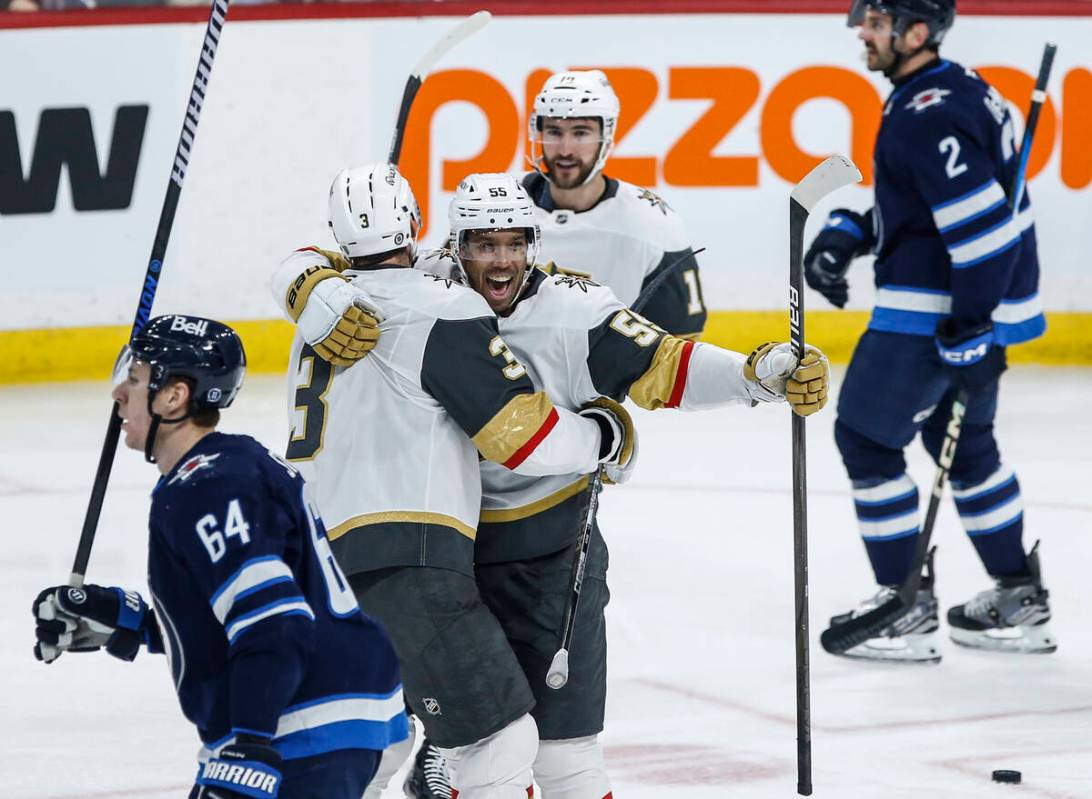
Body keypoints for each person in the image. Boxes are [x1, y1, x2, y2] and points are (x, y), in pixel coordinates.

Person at [280, 170, 831, 798]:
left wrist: (756, 374)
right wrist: (308, 285)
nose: (501, 259)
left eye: (514, 243)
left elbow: (665, 364)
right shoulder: (431, 287)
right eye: (483, 244)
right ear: (452, 246)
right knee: (420, 738)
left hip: (548, 562)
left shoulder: (575, 309)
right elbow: (339, 256)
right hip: (446, 559)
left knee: (562, 760)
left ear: (534, 243)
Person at [271, 163, 634, 799]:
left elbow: (299, 263)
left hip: (315, 560)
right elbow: (523, 436)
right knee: (500, 741)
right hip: (407, 559)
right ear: (417, 225)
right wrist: (604, 438)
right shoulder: (442, 307)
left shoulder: (322, 310)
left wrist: (299, 277)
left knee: (376, 745)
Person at [32, 315, 409, 799]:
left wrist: (250, 748)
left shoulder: (207, 486)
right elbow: (242, 619)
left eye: (135, 378)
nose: (119, 394)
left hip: (302, 721)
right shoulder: (232, 462)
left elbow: (274, 623)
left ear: (174, 396)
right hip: (323, 706)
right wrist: (128, 623)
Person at [807, 0, 1055, 663]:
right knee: (968, 447)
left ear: (916, 33)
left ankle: (903, 602)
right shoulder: (952, 88)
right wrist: (852, 233)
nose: (862, 30)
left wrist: (969, 326)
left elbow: (982, 233)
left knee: (864, 438)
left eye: (877, 21)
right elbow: (924, 206)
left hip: (934, 312)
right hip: (972, 303)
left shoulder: (928, 112)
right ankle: (1019, 595)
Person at [523, 69, 707, 340]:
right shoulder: (497, 206)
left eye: (581, 132)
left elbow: (682, 347)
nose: (565, 150)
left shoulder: (653, 225)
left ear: (607, 135)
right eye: (554, 131)